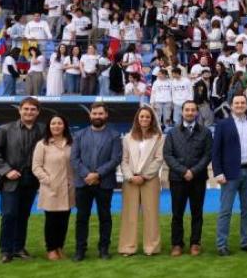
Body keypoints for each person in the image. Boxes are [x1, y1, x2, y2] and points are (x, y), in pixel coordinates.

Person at [0, 97, 44, 263]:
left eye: (33, 109)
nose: (29, 112)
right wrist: (7, 171)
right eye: (26, 109)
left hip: (31, 180)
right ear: (20, 110)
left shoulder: (43, 130)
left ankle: (19, 248)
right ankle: (6, 251)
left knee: (23, 216)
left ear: (38, 112)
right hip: (10, 181)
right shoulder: (5, 129)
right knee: (8, 214)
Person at [211, 94, 247, 256]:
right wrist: (218, 172)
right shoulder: (223, 125)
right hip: (229, 174)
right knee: (225, 210)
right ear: (231, 105)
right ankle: (221, 245)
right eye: (237, 103)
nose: (240, 105)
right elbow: (216, 151)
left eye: (243, 103)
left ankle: (246, 242)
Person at [70, 102, 122, 261]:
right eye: (95, 113)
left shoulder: (114, 136)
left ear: (106, 115)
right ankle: (80, 250)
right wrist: (87, 174)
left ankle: (104, 249)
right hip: (83, 182)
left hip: (104, 183)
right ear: (90, 115)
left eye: (100, 113)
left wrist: (97, 174)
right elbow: (74, 159)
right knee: (82, 217)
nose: (97, 116)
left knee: (105, 217)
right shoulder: (79, 135)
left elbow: (115, 159)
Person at [164, 101, 212, 257]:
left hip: (198, 179)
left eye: (193, 110)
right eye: (187, 110)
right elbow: (168, 155)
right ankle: (177, 244)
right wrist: (184, 171)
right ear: (182, 112)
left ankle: (195, 243)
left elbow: (207, 155)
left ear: (197, 112)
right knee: (177, 213)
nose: (190, 112)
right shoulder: (172, 133)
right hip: (177, 179)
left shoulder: (205, 132)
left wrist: (194, 171)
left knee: (197, 213)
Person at [118, 106, 165, 257]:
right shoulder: (127, 137)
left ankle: (151, 247)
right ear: (137, 119)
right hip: (130, 181)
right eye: (142, 117)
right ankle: (127, 247)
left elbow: (159, 159)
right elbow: (123, 160)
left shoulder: (159, 137)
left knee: (151, 214)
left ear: (152, 120)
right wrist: (130, 176)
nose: (144, 119)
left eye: (147, 117)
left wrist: (144, 176)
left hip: (149, 180)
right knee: (129, 214)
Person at [31, 113, 73, 261]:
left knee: (64, 220)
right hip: (50, 189)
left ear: (64, 126)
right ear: (49, 126)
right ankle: (51, 249)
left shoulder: (70, 143)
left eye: (59, 123)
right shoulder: (42, 144)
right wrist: (47, 180)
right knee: (52, 221)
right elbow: (36, 167)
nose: (56, 126)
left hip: (68, 189)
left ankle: (60, 247)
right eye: (53, 123)